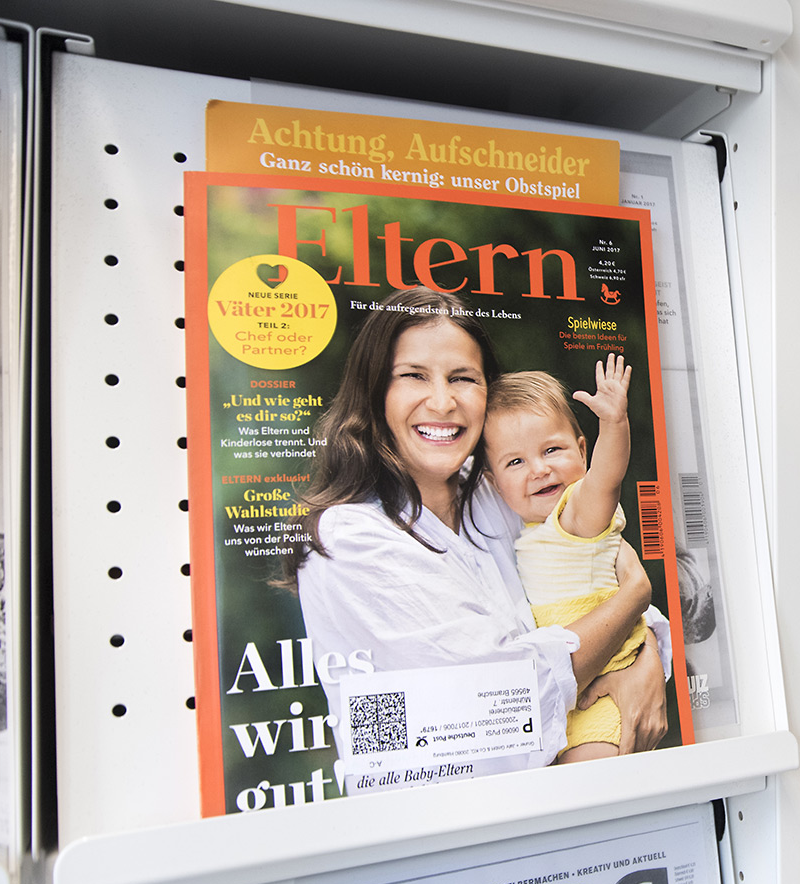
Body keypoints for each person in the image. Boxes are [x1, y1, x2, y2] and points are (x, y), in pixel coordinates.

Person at [279, 287, 667, 789]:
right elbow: (507, 695)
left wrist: (642, 662)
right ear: (375, 392)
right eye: (414, 376)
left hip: (556, 795)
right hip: (444, 816)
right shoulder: (350, 538)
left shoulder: (497, 490)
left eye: (462, 378)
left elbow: (588, 567)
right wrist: (635, 596)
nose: (443, 402)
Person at [480, 357, 645, 763]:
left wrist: (614, 423)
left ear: (582, 451)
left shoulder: (576, 512)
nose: (539, 469)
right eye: (516, 461)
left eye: (552, 449)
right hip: (565, 696)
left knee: (591, 788)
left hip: (601, 693)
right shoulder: (529, 527)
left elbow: (606, 478)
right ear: (493, 483)